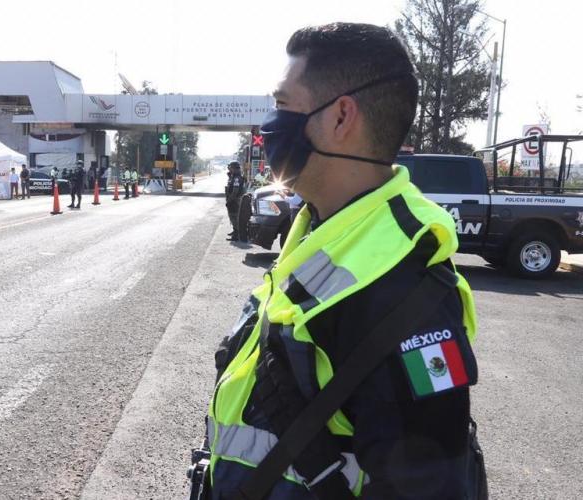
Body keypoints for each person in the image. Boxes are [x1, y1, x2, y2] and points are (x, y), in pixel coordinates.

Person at [205, 23, 480, 499]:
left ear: (340, 117)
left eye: (283, 106)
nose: (270, 123)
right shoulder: (323, 230)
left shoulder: (401, 289)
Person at [224, 161, 245, 240]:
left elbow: (235, 191)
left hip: (235, 200)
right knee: (232, 216)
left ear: (234, 168)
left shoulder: (236, 178)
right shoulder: (233, 176)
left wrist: (229, 200)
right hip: (233, 199)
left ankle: (236, 234)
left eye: (231, 168)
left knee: (235, 217)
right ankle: (235, 231)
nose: (229, 169)